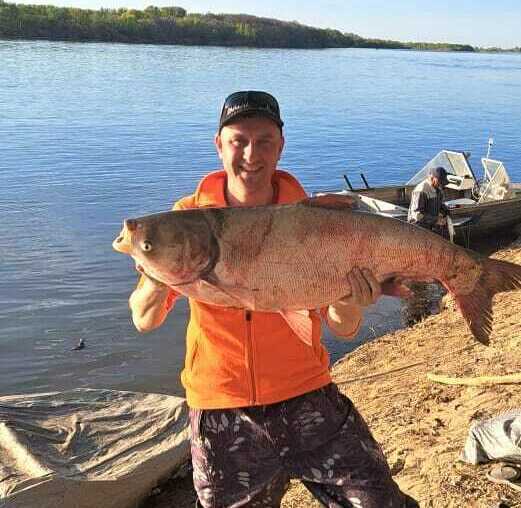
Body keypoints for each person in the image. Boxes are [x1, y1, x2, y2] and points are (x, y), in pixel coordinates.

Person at [128, 91, 418, 507]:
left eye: (264, 141)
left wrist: (350, 298)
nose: (251, 154)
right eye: (239, 141)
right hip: (221, 408)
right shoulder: (185, 222)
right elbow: (144, 319)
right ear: (219, 145)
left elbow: (344, 328)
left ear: (280, 146)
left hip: (308, 396)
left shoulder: (314, 221)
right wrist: (158, 271)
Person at [407, 165, 450, 233]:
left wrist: (444, 212)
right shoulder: (421, 190)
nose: (441, 185)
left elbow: (439, 204)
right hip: (418, 228)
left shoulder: (438, 188)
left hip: (431, 225)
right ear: (432, 178)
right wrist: (436, 220)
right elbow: (417, 215)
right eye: (440, 182)